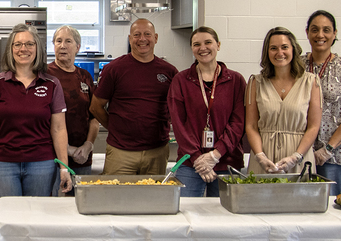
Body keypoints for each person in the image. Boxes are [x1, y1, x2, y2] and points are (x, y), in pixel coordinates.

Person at [0, 24, 73, 199]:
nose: (23, 49)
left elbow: (59, 129)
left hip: (42, 163)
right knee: (7, 217)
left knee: (38, 217)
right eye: (17, 44)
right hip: (4, 163)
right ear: (11, 49)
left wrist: (64, 167)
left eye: (29, 44)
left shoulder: (51, 83)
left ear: (38, 49)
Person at [89, 18, 178, 175]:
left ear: (155, 38)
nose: (142, 39)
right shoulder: (114, 69)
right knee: (115, 198)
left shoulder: (169, 71)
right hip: (120, 152)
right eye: (136, 35)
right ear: (130, 39)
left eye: (147, 34)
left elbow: (176, 108)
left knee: (153, 198)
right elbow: (96, 106)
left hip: (156, 152)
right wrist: (115, 128)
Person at [167, 27, 246, 196]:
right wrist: (198, 159)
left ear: (218, 45)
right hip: (190, 164)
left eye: (208, 42)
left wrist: (215, 155)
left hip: (227, 162)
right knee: (185, 214)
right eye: (197, 44)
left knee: (226, 217)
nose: (203, 48)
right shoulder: (181, 80)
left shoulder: (236, 80)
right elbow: (179, 124)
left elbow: (238, 122)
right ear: (192, 49)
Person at [245, 27, 322, 174]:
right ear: (267, 52)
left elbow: (313, 126)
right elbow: (251, 126)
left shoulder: (311, 82)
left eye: (284, 47)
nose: (279, 53)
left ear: (293, 49)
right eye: (273, 48)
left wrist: (296, 157)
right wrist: (260, 156)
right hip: (264, 156)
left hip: (299, 155)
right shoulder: (256, 82)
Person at [302, 10, 341, 195]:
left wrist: (328, 149)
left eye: (326, 30)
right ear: (307, 33)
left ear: (334, 33)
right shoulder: (297, 66)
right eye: (315, 30)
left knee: (331, 213)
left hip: (337, 156)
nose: (320, 35)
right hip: (301, 153)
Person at [46, 25, 99, 183]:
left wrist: (88, 145)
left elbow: (94, 117)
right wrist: (66, 149)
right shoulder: (44, 75)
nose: (62, 45)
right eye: (58, 41)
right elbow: (38, 119)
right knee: (51, 205)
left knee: (80, 204)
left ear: (78, 47)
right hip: (50, 157)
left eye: (68, 41)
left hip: (81, 158)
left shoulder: (84, 76)